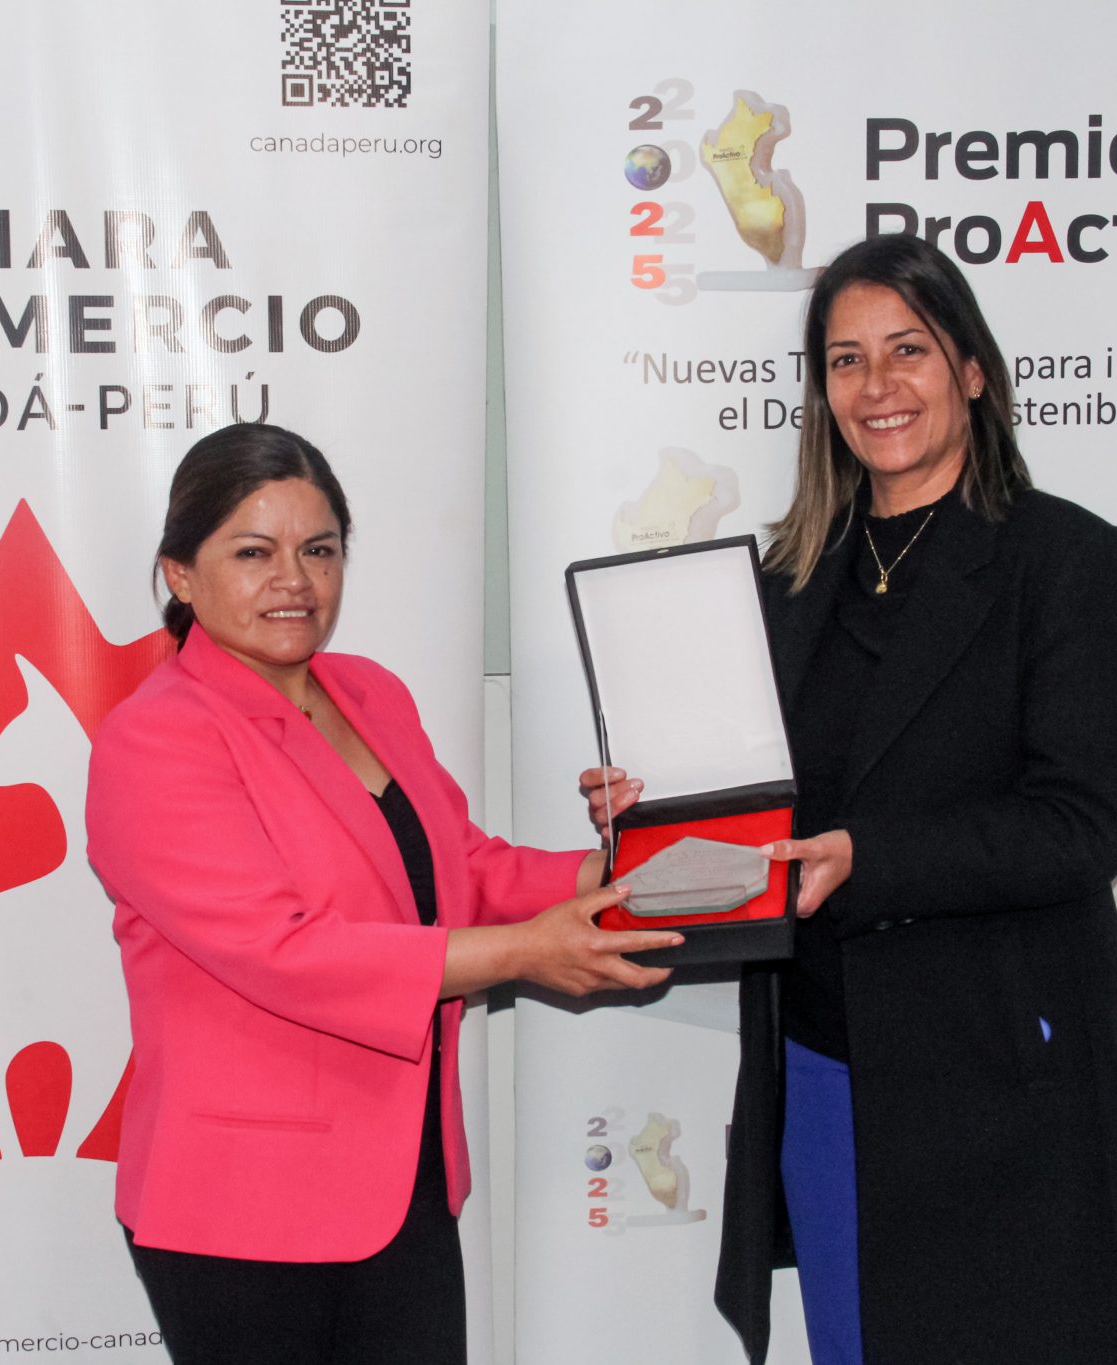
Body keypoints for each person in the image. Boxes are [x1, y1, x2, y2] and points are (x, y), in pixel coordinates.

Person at [584, 234, 1117, 1364]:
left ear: (972, 370)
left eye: (907, 350)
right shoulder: (785, 578)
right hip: (827, 1062)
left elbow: (1081, 823)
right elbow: (757, 800)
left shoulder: (1069, 560)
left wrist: (872, 857)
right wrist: (653, 802)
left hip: (1005, 1065)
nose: (876, 386)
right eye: (846, 360)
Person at [86, 422, 680, 1365]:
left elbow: (462, 868)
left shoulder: (369, 693)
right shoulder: (154, 738)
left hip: (406, 1179)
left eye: (319, 550)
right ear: (181, 575)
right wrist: (528, 953)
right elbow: (286, 949)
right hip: (244, 1211)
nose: (294, 579)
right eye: (253, 553)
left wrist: (624, 870)